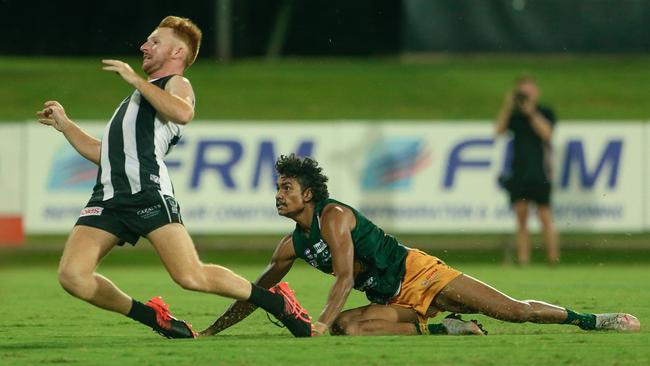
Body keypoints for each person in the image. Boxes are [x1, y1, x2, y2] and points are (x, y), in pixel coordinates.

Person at [36, 16, 311, 339]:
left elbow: (184, 112)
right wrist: (65, 124)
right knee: (73, 276)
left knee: (190, 276)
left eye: (154, 41)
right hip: (108, 197)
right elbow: (103, 152)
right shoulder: (139, 98)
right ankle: (154, 317)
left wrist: (135, 80)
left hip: (147, 193)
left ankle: (276, 302)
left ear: (178, 52)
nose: (144, 46)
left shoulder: (174, 84)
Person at [200, 154, 640, 337]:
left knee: (513, 312)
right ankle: (445, 328)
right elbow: (255, 293)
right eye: (277, 188)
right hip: (393, 297)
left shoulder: (332, 217)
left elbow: (347, 275)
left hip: (420, 273)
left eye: (287, 187)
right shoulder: (291, 245)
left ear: (308, 194)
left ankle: (592, 320)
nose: (279, 195)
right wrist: (212, 332)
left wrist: (317, 320)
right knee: (346, 328)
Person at [495, 75, 559, 266]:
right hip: (519, 172)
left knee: (545, 215)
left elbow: (547, 133)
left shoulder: (544, 112)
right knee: (521, 216)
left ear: (536, 92)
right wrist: (507, 105)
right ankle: (523, 260)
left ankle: (553, 259)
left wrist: (531, 113)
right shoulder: (514, 116)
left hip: (539, 171)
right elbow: (499, 131)